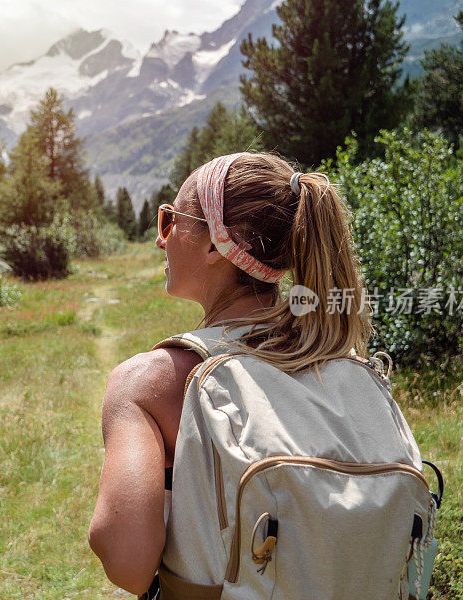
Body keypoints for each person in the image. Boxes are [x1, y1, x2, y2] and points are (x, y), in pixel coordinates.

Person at [87, 151, 376, 595]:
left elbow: (127, 563)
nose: (161, 239)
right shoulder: (344, 362)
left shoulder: (146, 383)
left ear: (213, 244)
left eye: (169, 220)